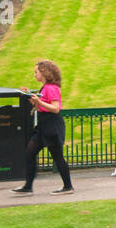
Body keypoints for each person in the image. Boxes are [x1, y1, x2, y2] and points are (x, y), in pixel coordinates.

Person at [10, 60, 73, 195]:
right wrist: (29, 97)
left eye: (36, 72)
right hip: (44, 125)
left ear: (44, 72)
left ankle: (68, 187)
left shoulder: (51, 88)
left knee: (57, 157)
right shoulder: (45, 87)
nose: (34, 74)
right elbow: (40, 106)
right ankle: (28, 186)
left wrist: (38, 101)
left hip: (52, 125)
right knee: (29, 153)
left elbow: (56, 109)